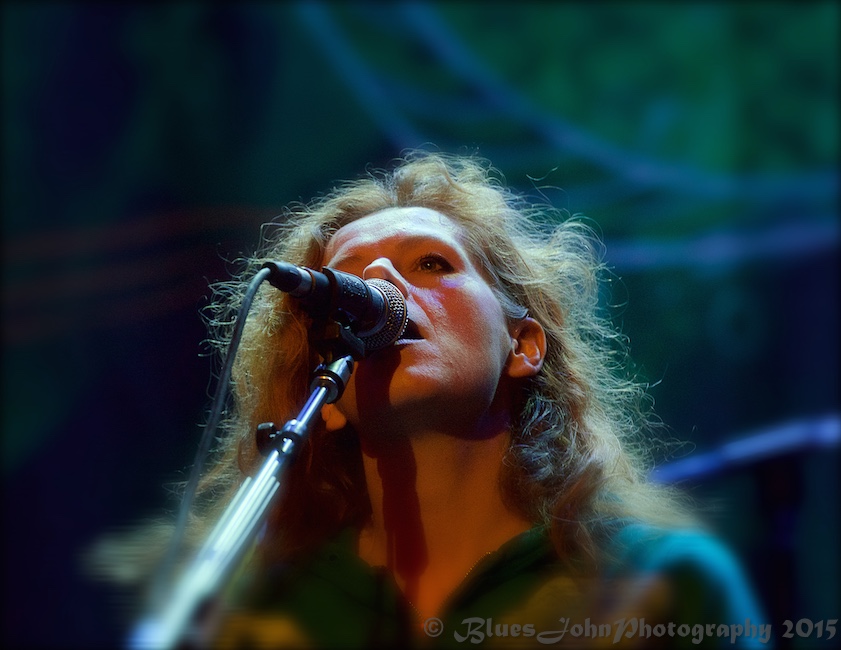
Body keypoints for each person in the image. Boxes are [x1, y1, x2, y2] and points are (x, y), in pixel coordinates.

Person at [94, 151, 769, 648]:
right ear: (322, 394)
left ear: (523, 346)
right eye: (348, 279)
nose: (380, 279)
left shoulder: (663, 586)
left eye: (432, 264)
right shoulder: (257, 608)